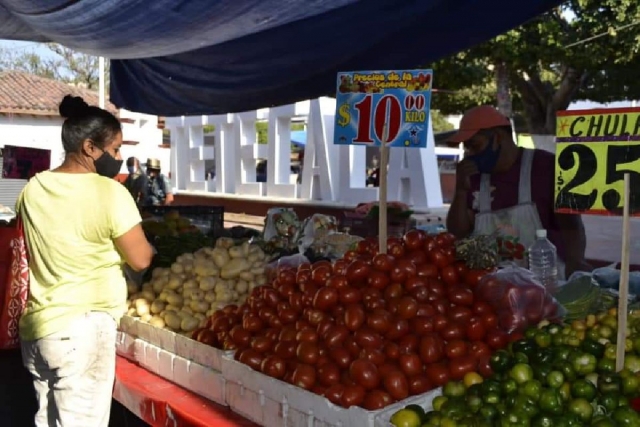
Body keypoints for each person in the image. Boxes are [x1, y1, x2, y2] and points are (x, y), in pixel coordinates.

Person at [15, 95, 154, 427]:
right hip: (82, 331)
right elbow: (140, 258)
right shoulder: (110, 193)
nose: (119, 158)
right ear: (91, 147)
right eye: (116, 149)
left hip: (40, 330)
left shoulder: (33, 188)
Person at [445, 105, 591, 279]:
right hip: (493, 288)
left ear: (498, 137)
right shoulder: (474, 177)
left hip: (546, 282)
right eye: (467, 148)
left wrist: (575, 262)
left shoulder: (546, 167)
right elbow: (458, 232)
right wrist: (461, 190)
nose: (469, 154)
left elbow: (571, 224)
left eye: (474, 146)